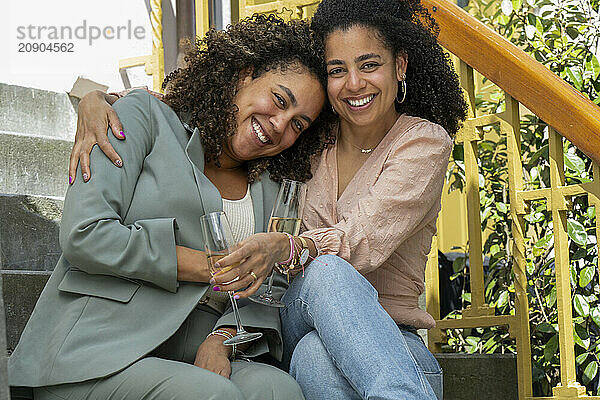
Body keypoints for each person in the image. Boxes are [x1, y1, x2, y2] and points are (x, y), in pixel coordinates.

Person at [69, 0, 467, 398]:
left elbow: (358, 240)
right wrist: (96, 99)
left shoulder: (423, 143)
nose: (353, 84)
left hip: (388, 346)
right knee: (316, 310)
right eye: (337, 71)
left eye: (368, 65)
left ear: (399, 66)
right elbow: (181, 107)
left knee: (314, 347)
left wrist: (287, 247)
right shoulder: (307, 146)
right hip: (296, 315)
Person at [8, 14, 336, 400]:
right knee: (214, 395)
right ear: (244, 75)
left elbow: (271, 285)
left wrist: (224, 338)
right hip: (98, 346)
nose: (280, 125)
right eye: (279, 100)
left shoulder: (272, 186)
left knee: (279, 390)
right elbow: (84, 234)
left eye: (298, 124)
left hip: (195, 345)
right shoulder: (144, 117)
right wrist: (207, 267)